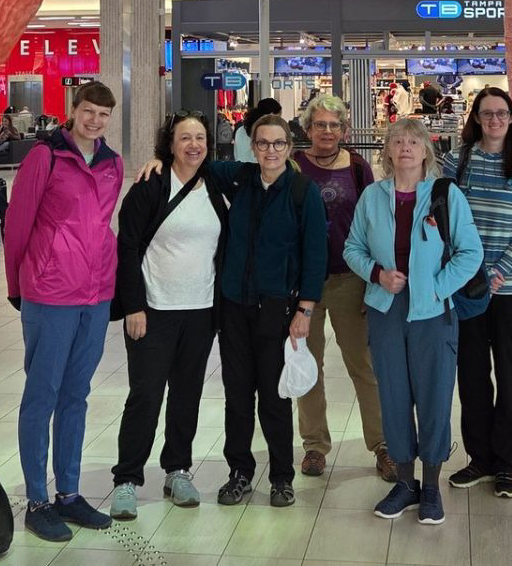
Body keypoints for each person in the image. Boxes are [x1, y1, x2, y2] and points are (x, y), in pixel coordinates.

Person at [136, 112, 327, 509]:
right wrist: (159, 159)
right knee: (237, 397)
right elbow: (194, 160)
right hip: (234, 309)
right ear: (251, 147)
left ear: (289, 148)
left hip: (277, 308)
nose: (270, 151)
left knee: (274, 398)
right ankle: (239, 472)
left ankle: (281, 476)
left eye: (278, 143)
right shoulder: (239, 178)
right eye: (263, 143)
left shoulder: (301, 191)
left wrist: (305, 310)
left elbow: (315, 254)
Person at [344, 118, 482, 526]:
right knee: (393, 397)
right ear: (387, 151)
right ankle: (405, 483)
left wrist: (438, 288)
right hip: (386, 310)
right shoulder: (372, 196)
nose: (405, 147)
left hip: (433, 313)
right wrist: (377, 275)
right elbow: (353, 247)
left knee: (434, 397)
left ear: (426, 151)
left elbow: (470, 252)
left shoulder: (445, 194)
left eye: (413, 142)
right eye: (398, 141)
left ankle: (432, 486)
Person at [2, 81, 123, 543]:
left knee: (76, 394)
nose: (95, 121)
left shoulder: (112, 163)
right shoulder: (45, 157)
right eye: (88, 111)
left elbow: (102, 225)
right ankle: (37, 500)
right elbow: (17, 225)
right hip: (50, 292)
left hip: (95, 294)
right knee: (43, 394)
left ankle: (68, 494)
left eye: (103, 114)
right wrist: (17, 286)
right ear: (74, 110)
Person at [109, 112, 227, 520]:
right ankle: (127, 478)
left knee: (186, 395)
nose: (194, 145)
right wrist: (133, 305)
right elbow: (126, 247)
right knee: (145, 395)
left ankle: (177, 469)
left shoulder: (216, 184)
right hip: (154, 310)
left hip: (201, 310)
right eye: (185, 138)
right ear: (170, 144)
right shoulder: (151, 185)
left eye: (200, 138)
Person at [439, 88, 512, 499]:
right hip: (467, 292)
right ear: (477, 119)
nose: (495, 120)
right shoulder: (456, 161)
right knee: (472, 377)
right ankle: (480, 459)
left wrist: (497, 272)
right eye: (487, 114)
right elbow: (441, 219)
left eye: (501, 113)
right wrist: (467, 273)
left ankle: (507, 465)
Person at [291, 94, 392, 481]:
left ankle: (382, 444)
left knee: (364, 367)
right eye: (320, 124)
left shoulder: (358, 167)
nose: (327, 131)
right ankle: (314, 446)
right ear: (308, 128)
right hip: (305, 285)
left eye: (335, 125)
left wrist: (373, 282)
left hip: (352, 280)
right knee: (308, 366)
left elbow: (374, 224)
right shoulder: (293, 165)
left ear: (345, 130)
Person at [232, 98, 281, 164]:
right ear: (271, 115)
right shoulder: (265, 131)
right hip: (258, 168)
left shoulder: (240, 130)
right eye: (278, 117)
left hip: (240, 168)